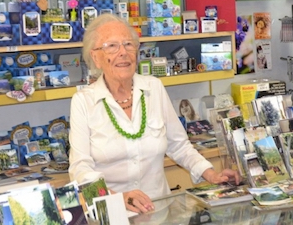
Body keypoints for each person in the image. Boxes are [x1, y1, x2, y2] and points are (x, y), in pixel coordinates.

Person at [68, 14, 240, 214]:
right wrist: (118, 197)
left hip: (158, 212)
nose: (123, 52)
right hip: (112, 213)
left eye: (128, 44)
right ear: (96, 57)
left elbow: (180, 146)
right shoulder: (83, 102)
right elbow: (79, 171)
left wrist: (211, 174)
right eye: (112, 46)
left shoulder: (154, 88)